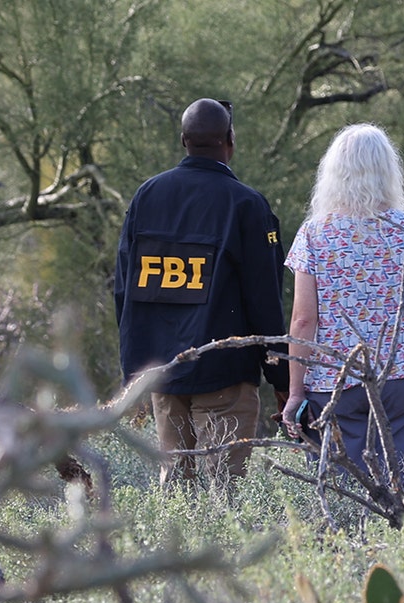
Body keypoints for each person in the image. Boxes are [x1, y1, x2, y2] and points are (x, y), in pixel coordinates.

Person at [114, 97, 289, 487]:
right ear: (230, 139)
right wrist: (282, 378)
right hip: (223, 375)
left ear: (183, 141)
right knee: (225, 492)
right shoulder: (246, 204)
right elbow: (265, 300)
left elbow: (124, 289)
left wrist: (136, 370)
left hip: (161, 373)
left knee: (177, 490)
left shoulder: (146, 196)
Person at [281, 123, 404, 489]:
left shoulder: (315, 233)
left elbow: (304, 319)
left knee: (342, 492)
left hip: (337, 381)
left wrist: (295, 393)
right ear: (388, 170)